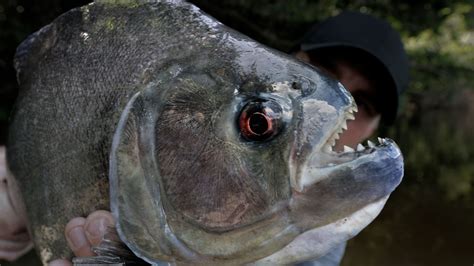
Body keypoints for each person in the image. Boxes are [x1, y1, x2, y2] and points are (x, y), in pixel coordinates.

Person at [1, 11, 409, 266]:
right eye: (260, 124)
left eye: (366, 102)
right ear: (294, 57)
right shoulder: (198, 80)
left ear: (373, 126)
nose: (338, 92)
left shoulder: (322, 239)